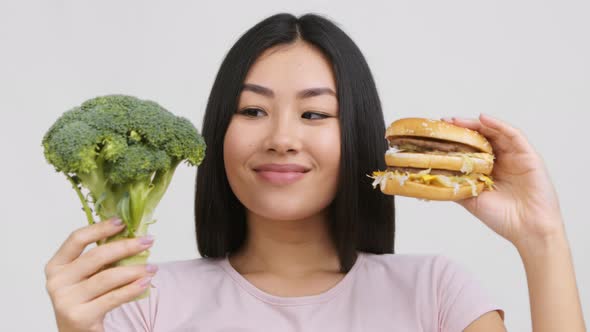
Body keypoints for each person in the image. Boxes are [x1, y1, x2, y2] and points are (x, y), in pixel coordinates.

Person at [44, 13, 585, 331]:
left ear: (359, 133)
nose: (281, 138)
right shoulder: (145, 306)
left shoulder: (438, 294)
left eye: (315, 114)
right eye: (252, 110)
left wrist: (542, 238)